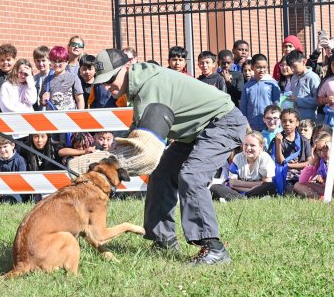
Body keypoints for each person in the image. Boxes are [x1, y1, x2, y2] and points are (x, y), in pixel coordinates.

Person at [90, 48, 248, 266]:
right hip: (199, 130)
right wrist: (107, 158)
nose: (107, 88)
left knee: (191, 176)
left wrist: (107, 166)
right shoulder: (142, 82)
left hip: (223, 123)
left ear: (126, 68)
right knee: (162, 174)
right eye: (102, 83)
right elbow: (137, 134)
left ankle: (214, 249)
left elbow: (145, 150)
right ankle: (163, 240)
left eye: (110, 80)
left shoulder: (149, 89)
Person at [209, 131, 276, 201]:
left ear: (261, 146)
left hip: (256, 191)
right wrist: (252, 186)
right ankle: (244, 198)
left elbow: (266, 182)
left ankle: (240, 199)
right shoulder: (238, 158)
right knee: (214, 188)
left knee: (269, 187)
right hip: (238, 191)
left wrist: (241, 183)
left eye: (252, 145)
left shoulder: (265, 158)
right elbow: (232, 184)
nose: (248, 148)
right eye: (246, 145)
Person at [240, 54, 281, 131]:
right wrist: (246, 124)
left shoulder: (272, 84)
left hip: (268, 125)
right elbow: (243, 108)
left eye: (264, 67)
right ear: (252, 67)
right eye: (258, 67)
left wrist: (276, 124)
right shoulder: (247, 86)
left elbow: (277, 106)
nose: (262, 70)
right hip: (251, 126)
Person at [284, 50, 320, 122]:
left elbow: (318, 100)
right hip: (295, 118)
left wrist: (298, 100)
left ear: (304, 62)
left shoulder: (313, 77)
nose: (292, 69)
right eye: (291, 67)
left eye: (295, 66)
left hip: (309, 119)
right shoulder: (294, 77)